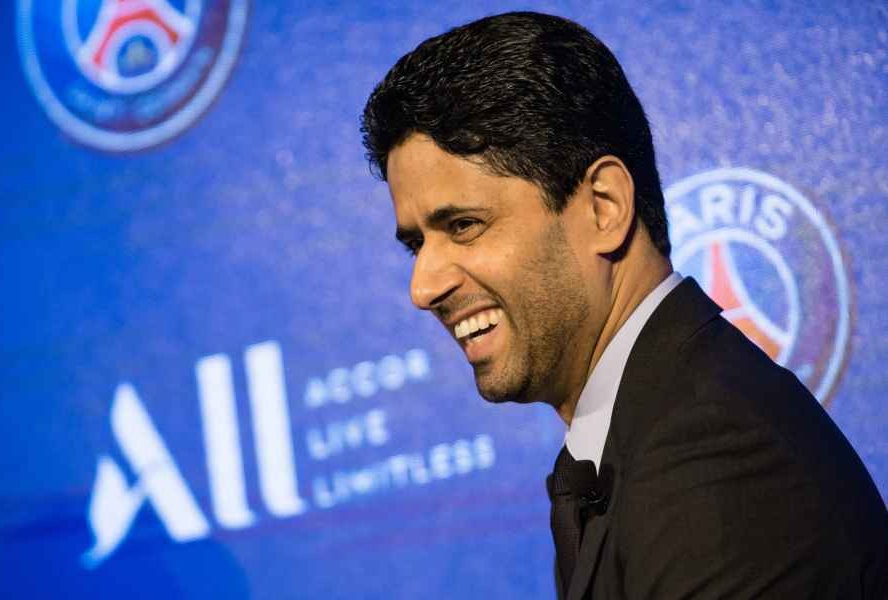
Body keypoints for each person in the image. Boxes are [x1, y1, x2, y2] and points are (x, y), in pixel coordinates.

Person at [360, 11, 887, 600]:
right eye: (416, 245)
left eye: (463, 225)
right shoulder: (643, 441)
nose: (423, 287)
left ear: (603, 207)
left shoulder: (713, 463)